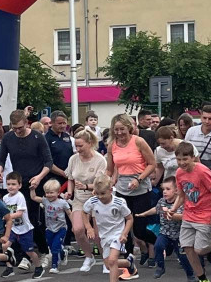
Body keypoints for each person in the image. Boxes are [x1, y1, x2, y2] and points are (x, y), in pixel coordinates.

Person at [0, 110, 53, 260]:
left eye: (20, 128)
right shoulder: (8, 138)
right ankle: (23, 255)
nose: (17, 131)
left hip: (34, 182)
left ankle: (44, 250)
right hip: (17, 183)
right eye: (14, 128)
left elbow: (48, 162)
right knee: (15, 219)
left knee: (32, 218)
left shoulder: (37, 137)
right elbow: (1, 158)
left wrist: (39, 177)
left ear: (26, 123)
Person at [105, 114, 156, 265]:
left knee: (139, 229)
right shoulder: (112, 145)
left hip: (140, 187)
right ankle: (128, 259)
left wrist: (139, 179)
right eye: (116, 130)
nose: (119, 133)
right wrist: (105, 183)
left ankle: (158, 244)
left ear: (129, 128)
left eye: (122, 129)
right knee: (123, 227)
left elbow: (152, 163)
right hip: (122, 188)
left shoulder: (138, 142)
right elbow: (109, 170)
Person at [173, 141, 211, 282]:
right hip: (189, 214)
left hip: (205, 214)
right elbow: (181, 195)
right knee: (187, 247)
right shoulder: (179, 173)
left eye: (185, 159)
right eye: (179, 159)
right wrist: (173, 209)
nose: (182, 163)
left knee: (200, 249)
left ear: (193, 158)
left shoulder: (202, 171)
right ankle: (202, 280)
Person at [84, 174, 138, 282]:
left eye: (103, 193)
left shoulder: (119, 202)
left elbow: (129, 218)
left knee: (113, 260)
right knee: (109, 265)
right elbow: (84, 212)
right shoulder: (93, 201)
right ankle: (129, 263)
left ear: (110, 190)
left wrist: (124, 233)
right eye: (98, 194)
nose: (100, 197)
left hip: (117, 235)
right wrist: (89, 227)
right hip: (104, 236)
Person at [65, 127, 107, 272]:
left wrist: (86, 186)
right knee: (77, 229)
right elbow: (70, 178)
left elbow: (101, 184)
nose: (78, 149)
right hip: (79, 199)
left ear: (89, 143)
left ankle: (106, 260)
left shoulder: (100, 160)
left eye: (80, 146)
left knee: (97, 233)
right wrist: (69, 192)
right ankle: (89, 256)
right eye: (76, 146)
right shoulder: (73, 159)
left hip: (97, 198)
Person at [149, 176, 194, 282]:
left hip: (179, 234)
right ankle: (160, 267)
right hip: (164, 232)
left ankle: (191, 276)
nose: (164, 192)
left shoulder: (181, 203)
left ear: (176, 191)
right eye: (163, 189)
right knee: (158, 246)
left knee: (183, 257)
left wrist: (170, 213)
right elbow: (156, 209)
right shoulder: (161, 201)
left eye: (168, 189)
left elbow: (183, 216)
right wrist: (142, 214)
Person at [1, 172, 44, 279]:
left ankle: (39, 267)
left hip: (25, 229)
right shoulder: (5, 198)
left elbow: (19, 213)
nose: (10, 187)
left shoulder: (20, 197)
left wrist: (7, 216)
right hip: (12, 228)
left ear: (19, 186)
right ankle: (9, 267)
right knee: (4, 246)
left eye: (13, 184)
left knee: (29, 251)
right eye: (8, 184)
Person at [33, 179, 70, 273]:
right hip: (49, 228)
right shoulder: (45, 201)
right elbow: (33, 197)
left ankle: (54, 265)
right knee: (51, 244)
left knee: (54, 247)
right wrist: (32, 189)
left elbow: (70, 214)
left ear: (58, 192)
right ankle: (62, 252)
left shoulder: (62, 203)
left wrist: (74, 225)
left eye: (51, 193)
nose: (49, 195)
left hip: (61, 228)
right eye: (47, 193)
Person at [183, 104, 211, 171]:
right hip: (192, 170)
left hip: (210, 170)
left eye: (210, 119)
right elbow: (185, 154)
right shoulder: (191, 131)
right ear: (201, 117)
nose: (207, 121)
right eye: (204, 118)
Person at [45, 110, 75, 184]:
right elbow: (46, 161)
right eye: (59, 123)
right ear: (52, 123)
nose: (62, 126)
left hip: (69, 177)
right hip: (53, 179)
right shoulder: (46, 139)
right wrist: (62, 173)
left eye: (64, 123)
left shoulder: (67, 136)